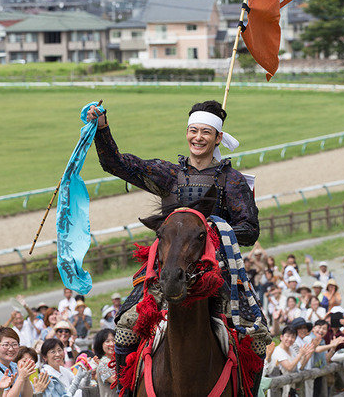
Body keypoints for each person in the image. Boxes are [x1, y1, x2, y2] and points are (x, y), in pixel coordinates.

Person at [89, 100, 262, 376]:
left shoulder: (232, 181)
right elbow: (115, 164)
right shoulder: (169, 175)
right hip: (166, 268)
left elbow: (250, 229)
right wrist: (101, 128)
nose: (198, 137)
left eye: (206, 132)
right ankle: (123, 390)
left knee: (257, 336)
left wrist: (214, 232)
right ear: (187, 133)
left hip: (215, 271)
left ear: (218, 137)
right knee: (124, 328)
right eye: (194, 131)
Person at [0, 327, 37, 397]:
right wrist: (21, 378)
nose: (11, 349)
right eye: (6, 345)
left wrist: (25, 378)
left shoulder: (14, 366)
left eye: (14, 344)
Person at [266, 326, 314, 397]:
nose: (290, 339)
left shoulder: (292, 350)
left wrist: (306, 355)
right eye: (287, 336)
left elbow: (300, 367)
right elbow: (289, 367)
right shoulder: (278, 351)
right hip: (278, 388)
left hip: (290, 387)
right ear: (281, 337)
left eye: (293, 337)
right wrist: (300, 355)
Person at [93, 329, 117, 397]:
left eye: (114, 340)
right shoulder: (103, 364)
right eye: (107, 341)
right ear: (100, 344)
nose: (112, 344)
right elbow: (116, 383)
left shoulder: (116, 361)